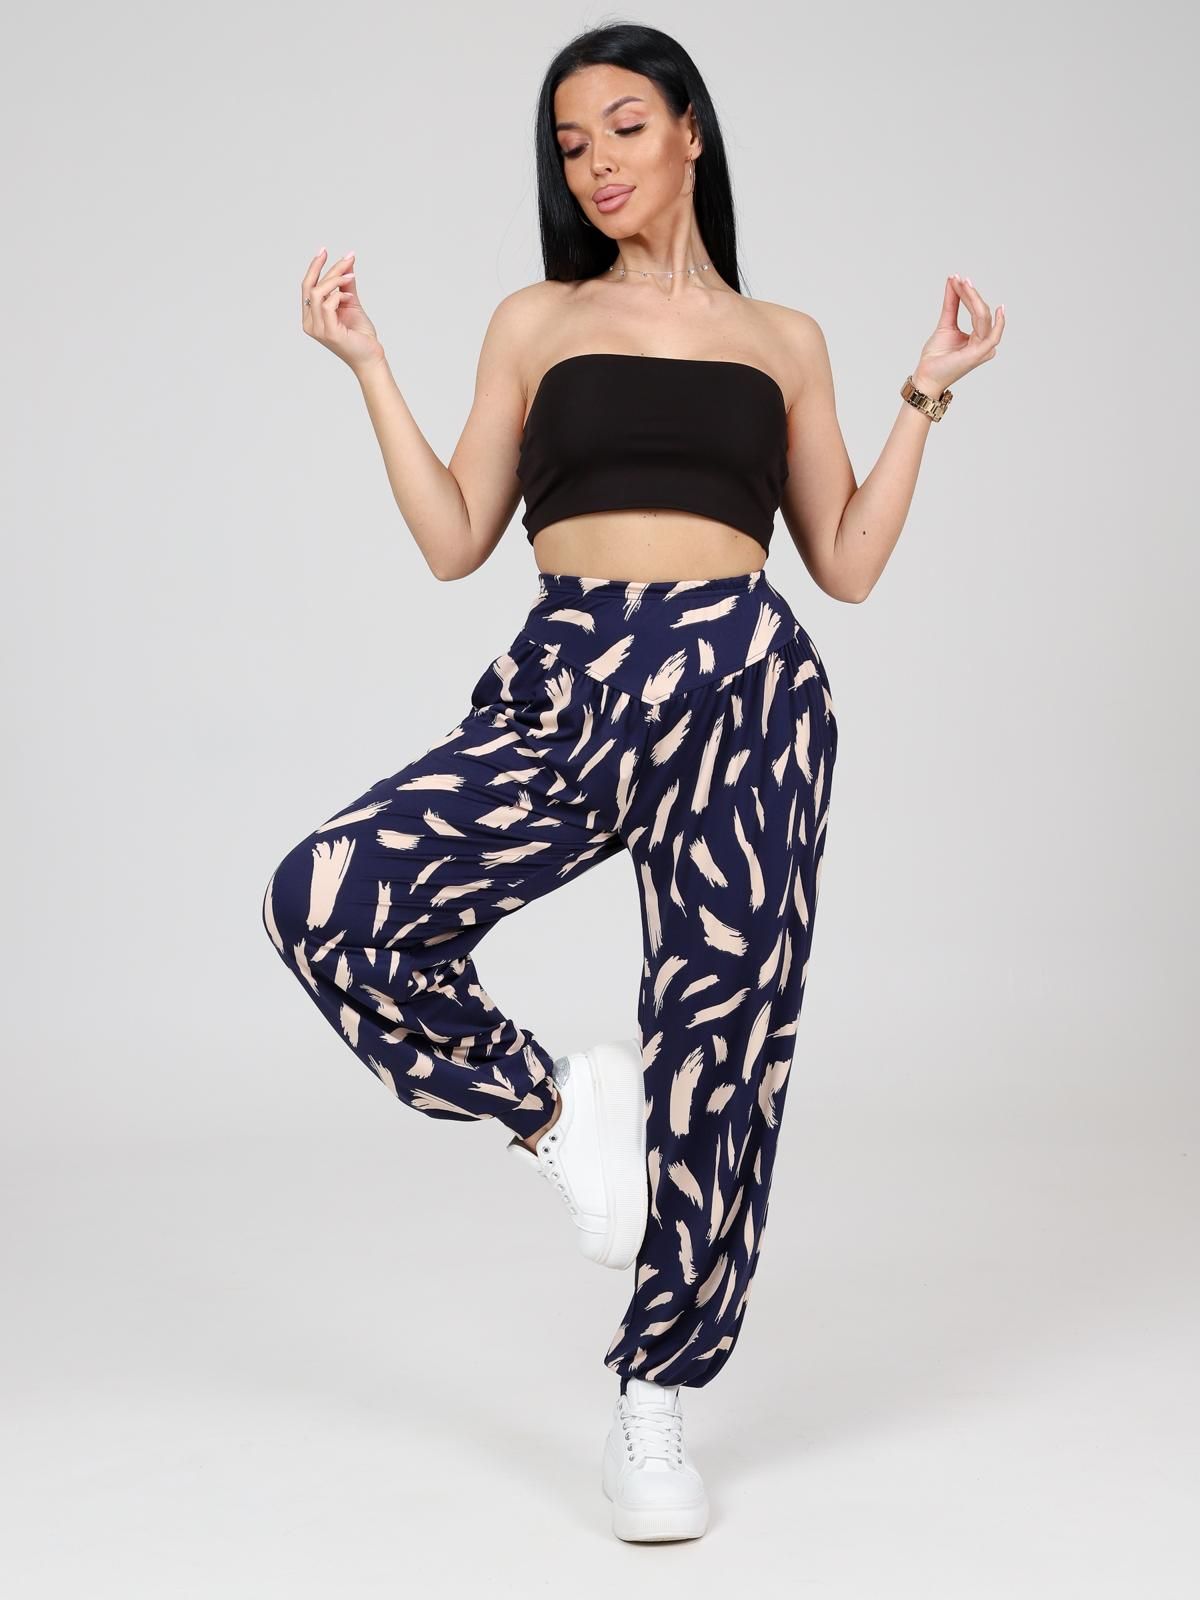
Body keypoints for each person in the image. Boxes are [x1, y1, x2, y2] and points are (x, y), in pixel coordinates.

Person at [261, 22, 1005, 1544]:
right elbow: (456, 537)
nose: (594, 162)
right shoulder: (535, 320)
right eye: (569, 144)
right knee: (327, 902)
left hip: (747, 691)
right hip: (574, 680)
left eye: (620, 126)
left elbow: (847, 559)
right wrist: (370, 365)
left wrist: (926, 393)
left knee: (724, 1049)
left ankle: (654, 1397)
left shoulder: (784, 339)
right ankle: (558, 1113)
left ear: (689, 133)